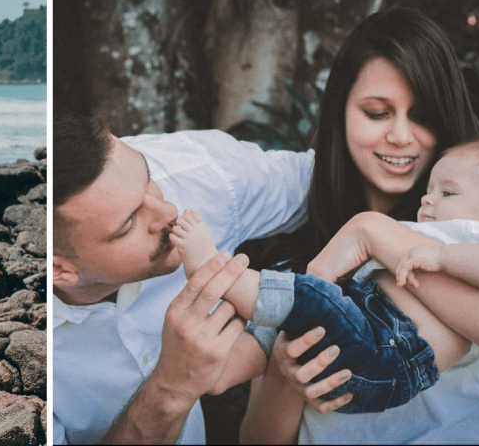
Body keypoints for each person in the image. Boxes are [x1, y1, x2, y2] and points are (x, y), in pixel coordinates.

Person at [238, 8, 479, 444]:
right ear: (341, 113)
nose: (401, 136)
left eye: (422, 116)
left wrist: (375, 237)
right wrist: (285, 378)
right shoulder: (298, 260)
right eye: (378, 113)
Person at [171, 137, 479, 415]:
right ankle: (222, 369)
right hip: (372, 333)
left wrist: (440, 255)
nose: (429, 199)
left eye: (447, 194)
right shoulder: (419, 233)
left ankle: (218, 274)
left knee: (313, 300)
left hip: (392, 355)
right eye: (429, 190)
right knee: (294, 316)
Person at [52, 110, 315, 444]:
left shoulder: (198, 172)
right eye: (130, 223)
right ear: (60, 269)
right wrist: (171, 388)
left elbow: (325, 179)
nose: (168, 211)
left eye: (149, 179)